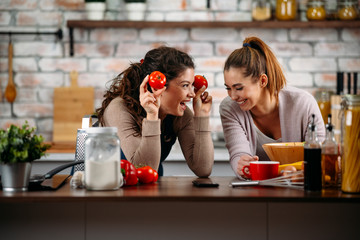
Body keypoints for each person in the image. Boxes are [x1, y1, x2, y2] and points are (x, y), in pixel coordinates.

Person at [96, 46, 214, 177]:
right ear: (157, 85)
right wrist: (152, 116)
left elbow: (203, 169)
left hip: (150, 179)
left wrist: (202, 117)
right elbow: (141, 171)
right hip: (100, 185)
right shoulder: (119, 109)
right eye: (185, 85)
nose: (192, 94)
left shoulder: (180, 113)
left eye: (192, 85)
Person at [219, 36, 325, 179]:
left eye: (238, 88)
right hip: (256, 193)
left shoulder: (303, 103)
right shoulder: (229, 108)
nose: (232, 96)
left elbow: (320, 155)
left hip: (302, 191)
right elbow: (238, 153)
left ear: (262, 81)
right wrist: (242, 164)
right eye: (228, 88)